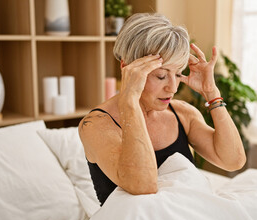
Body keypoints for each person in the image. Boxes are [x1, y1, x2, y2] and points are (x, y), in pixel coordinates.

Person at [78, 13, 246, 206]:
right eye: (161, 76)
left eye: (178, 74)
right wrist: (130, 102)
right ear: (127, 68)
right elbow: (143, 186)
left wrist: (211, 92)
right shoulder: (96, 125)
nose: (173, 88)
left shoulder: (183, 114)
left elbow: (233, 161)